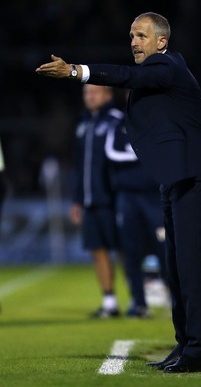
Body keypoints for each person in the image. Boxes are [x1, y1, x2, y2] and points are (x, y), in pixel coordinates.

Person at [36, 11, 201, 373]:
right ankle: (184, 344)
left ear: (161, 42)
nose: (133, 42)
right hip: (176, 178)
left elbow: (126, 76)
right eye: (131, 35)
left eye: (140, 35)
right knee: (175, 267)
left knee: (188, 267)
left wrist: (76, 71)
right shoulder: (158, 72)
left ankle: (197, 351)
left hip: (194, 178)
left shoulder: (168, 67)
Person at [105, 113, 168, 318]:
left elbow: (167, 151)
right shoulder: (120, 124)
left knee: (165, 248)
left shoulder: (159, 121)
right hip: (128, 195)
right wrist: (142, 152)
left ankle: (177, 297)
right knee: (130, 251)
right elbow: (111, 152)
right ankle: (138, 303)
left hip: (154, 195)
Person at [69, 84, 121, 319]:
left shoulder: (116, 121)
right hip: (90, 201)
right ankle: (109, 301)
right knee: (97, 250)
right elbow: (79, 168)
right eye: (86, 93)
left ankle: (142, 296)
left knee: (126, 249)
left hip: (114, 199)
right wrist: (77, 200)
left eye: (95, 92)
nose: (90, 97)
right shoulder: (83, 125)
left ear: (108, 95)